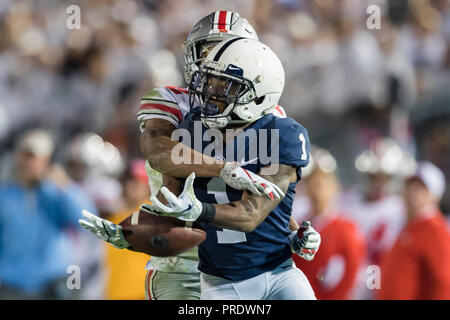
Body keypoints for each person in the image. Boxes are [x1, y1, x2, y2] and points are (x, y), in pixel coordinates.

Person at [79, 12, 317, 300]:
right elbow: (160, 153)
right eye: (207, 51)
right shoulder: (174, 101)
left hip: (247, 256)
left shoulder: (271, 119)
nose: (213, 63)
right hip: (180, 251)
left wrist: (290, 231)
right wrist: (225, 169)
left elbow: (267, 196)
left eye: (224, 52)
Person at [141, 38, 319, 300]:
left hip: (280, 273)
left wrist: (290, 229)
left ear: (257, 93)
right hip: (221, 281)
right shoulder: (193, 128)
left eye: (226, 85)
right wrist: (132, 233)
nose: (212, 91)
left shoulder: (283, 133)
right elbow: (169, 195)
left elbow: (254, 212)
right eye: (211, 81)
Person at [0, 129, 83, 299]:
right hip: (11, 285)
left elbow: (83, 221)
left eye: (38, 158)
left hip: (51, 284)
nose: (32, 164)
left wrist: (65, 186)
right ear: (18, 158)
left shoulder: (57, 193)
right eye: (27, 156)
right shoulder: (4, 195)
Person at [292, 148, 366, 300]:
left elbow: (351, 278)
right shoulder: (298, 226)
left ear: (334, 186)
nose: (316, 189)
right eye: (312, 182)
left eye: (322, 183)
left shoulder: (345, 229)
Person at [377, 162, 450, 300]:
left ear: (434, 194)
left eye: (422, 188)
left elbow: (444, 284)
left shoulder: (436, 231)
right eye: (411, 185)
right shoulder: (407, 225)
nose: (414, 192)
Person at [105, 159, 150, 300]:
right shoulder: (113, 218)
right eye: (130, 180)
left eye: (139, 180)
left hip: (144, 293)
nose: (133, 185)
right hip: (115, 293)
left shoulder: (155, 215)